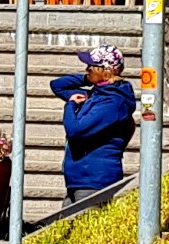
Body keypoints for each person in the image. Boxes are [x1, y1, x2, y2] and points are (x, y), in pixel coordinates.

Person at [51, 44, 135, 199]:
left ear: (105, 70)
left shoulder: (112, 103)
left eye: (91, 66)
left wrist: (70, 105)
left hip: (94, 181)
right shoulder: (96, 95)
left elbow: (75, 130)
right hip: (79, 180)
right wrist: (88, 79)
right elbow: (57, 86)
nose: (86, 69)